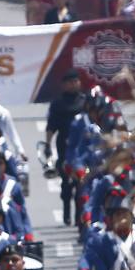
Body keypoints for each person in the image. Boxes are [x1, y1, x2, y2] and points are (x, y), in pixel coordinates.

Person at [45, 70, 85, 225]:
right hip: (65, 148)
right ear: (64, 84)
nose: (74, 84)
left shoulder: (85, 101)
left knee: (81, 184)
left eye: (76, 81)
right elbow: (51, 126)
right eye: (70, 81)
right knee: (67, 183)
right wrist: (48, 145)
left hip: (83, 150)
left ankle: (79, 217)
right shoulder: (58, 103)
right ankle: (67, 212)